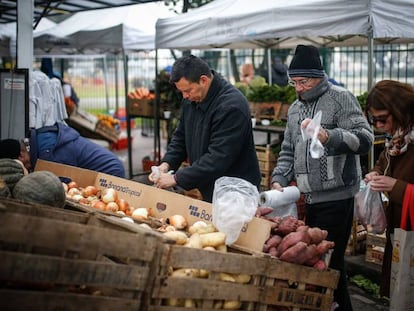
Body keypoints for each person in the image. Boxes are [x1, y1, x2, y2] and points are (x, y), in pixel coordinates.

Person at [270, 45, 374, 311]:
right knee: (324, 266)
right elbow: (288, 149)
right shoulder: (294, 109)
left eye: (303, 81)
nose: (298, 88)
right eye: (294, 82)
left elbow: (365, 139)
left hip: (338, 195)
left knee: (330, 264)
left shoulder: (341, 98)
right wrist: (279, 178)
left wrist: (329, 136)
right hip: (309, 196)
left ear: (319, 76)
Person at [148, 55, 261, 202]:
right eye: (181, 91)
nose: (185, 96)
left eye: (188, 90)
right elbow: (180, 138)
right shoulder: (192, 99)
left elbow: (218, 157)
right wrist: (166, 164)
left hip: (236, 190)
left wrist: (176, 178)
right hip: (211, 186)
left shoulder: (231, 106)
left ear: (203, 80)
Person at [363, 80, 414, 299]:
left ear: (399, 110)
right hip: (402, 228)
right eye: (372, 119)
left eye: (382, 119)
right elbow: (385, 162)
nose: (377, 125)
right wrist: (375, 172)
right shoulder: (399, 137)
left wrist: (397, 187)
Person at [28, 122, 125, 178]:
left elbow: (63, 183)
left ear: (22, 154)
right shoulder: (43, 138)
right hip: (110, 165)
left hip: (111, 170)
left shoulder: (49, 153)